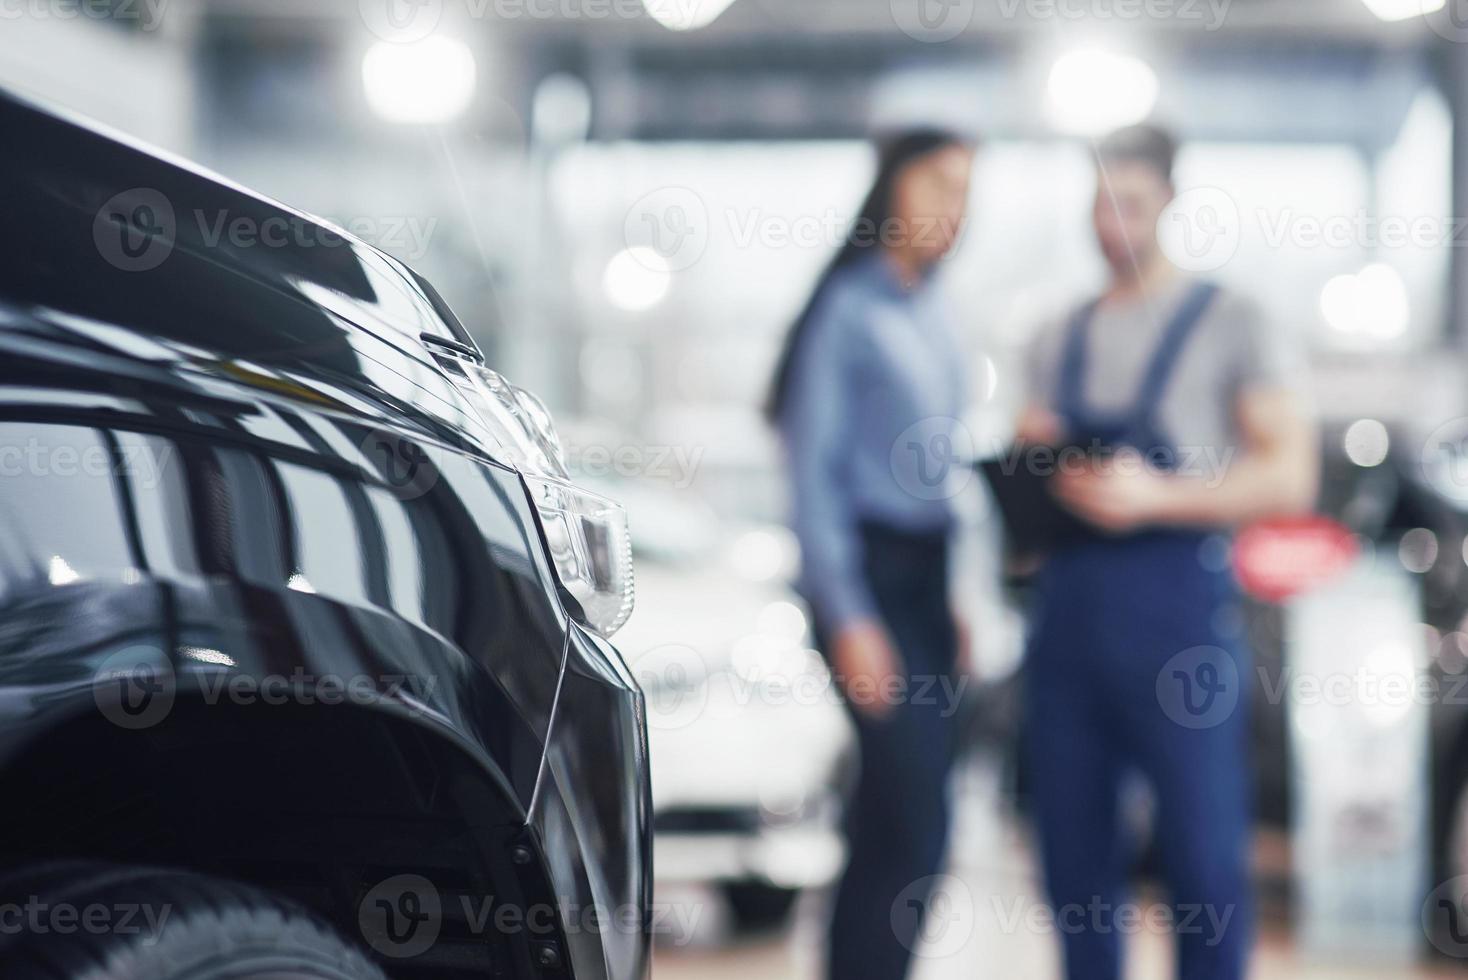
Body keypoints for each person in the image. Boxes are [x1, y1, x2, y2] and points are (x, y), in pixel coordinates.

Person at [1016, 124, 1318, 980]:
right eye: (1101, 201)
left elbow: (1289, 477)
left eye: (1134, 202)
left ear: (1171, 201)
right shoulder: (1054, 336)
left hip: (1177, 619)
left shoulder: (1233, 321)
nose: (1114, 221)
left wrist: (1160, 496)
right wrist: (1029, 478)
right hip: (1067, 623)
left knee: (1202, 860)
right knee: (1072, 860)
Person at [769, 128, 976, 980]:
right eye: (935, 185)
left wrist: (958, 597)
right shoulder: (847, 310)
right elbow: (811, 474)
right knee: (919, 818)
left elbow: (943, 468)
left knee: (887, 820)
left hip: (928, 583)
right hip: (869, 581)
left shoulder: (933, 311)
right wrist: (848, 614)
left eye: (966, 192)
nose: (952, 209)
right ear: (889, 191)